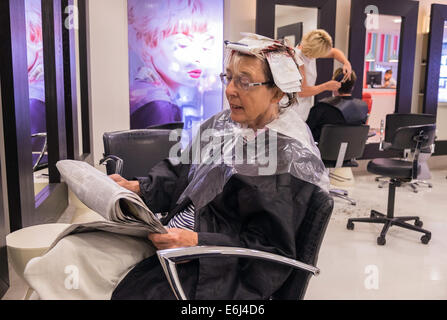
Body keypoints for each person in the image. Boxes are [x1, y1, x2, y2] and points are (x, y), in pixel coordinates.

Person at [22, 34, 330, 300]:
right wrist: (138, 187)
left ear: (277, 92)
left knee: (103, 282)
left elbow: (269, 252)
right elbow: (182, 170)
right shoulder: (223, 125)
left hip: (214, 267)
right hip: (171, 234)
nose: (231, 90)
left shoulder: (287, 159)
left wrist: (197, 241)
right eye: (229, 77)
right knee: (68, 253)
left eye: (245, 81)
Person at [128, 0, 218, 129]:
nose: (198, 58)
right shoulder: (159, 107)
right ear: (150, 43)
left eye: (205, 46)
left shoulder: (145, 91)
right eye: (183, 44)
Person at [294, 29, 353, 121]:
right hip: (293, 112)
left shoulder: (309, 52)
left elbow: (334, 52)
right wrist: (326, 86)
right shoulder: (297, 59)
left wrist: (346, 62)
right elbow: (302, 91)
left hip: (303, 111)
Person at [306, 68, 369, 143]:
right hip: (352, 153)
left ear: (334, 86)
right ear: (352, 87)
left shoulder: (322, 107)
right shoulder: (363, 108)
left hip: (324, 152)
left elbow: (306, 133)